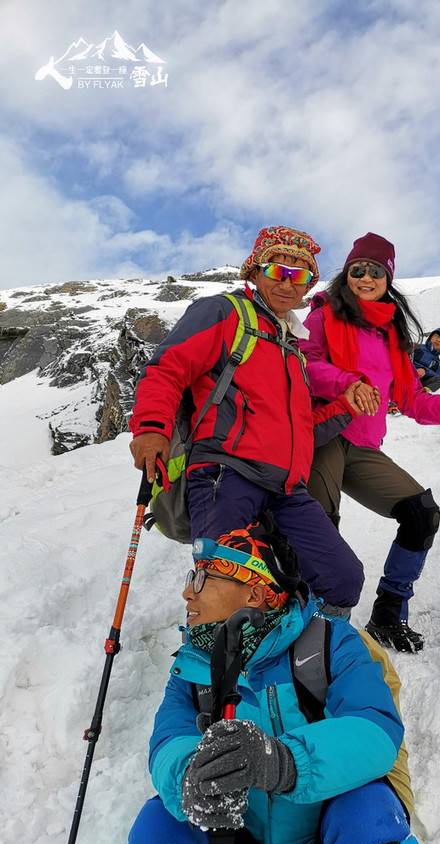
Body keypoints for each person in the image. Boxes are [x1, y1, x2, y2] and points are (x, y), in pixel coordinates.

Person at [112, 523, 422, 844]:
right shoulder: (192, 668)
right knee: (161, 825)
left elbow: (376, 731)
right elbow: (169, 740)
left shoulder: (333, 644)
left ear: (254, 591)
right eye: (191, 577)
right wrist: (192, 775)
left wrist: (282, 762)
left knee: (370, 810)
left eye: (203, 578)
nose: (188, 592)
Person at [128, 225, 364, 616]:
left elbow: (301, 426)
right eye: (278, 270)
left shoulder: (293, 347)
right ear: (254, 272)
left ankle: (312, 654)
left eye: (300, 275)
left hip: (287, 488)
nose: (289, 283)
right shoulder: (224, 312)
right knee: (223, 592)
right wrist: (152, 428)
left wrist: (346, 407)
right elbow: (167, 370)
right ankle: (213, 673)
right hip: (226, 474)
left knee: (342, 578)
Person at [299, 232, 440, 653]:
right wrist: (346, 382)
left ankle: (388, 611)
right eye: (357, 270)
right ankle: (312, 633)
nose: (365, 277)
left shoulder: (392, 336)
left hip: (363, 447)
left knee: (421, 513)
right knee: (320, 533)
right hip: (323, 434)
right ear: (346, 275)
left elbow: (413, 400)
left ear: (388, 279)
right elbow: (304, 364)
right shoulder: (324, 315)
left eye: (375, 271)